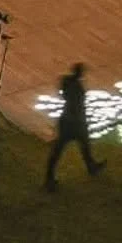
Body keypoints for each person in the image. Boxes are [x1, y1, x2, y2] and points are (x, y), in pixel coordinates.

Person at [45, 62, 104, 191]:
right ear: (80, 73)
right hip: (74, 122)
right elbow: (77, 104)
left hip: (67, 121)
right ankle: (49, 178)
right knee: (66, 148)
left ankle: (91, 166)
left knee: (77, 147)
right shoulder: (76, 87)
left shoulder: (67, 81)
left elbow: (64, 91)